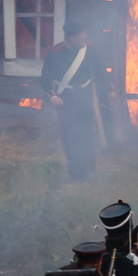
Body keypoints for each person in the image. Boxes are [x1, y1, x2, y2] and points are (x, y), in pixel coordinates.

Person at [43, 20, 99, 183]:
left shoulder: (89, 51)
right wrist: (53, 96)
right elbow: (45, 78)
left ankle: (89, 171)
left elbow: (100, 72)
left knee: (87, 135)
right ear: (71, 37)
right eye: (81, 35)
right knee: (70, 137)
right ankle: (76, 173)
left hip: (84, 98)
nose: (84, 37)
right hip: (65, 100)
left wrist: (109, 91)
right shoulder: (55, 53)